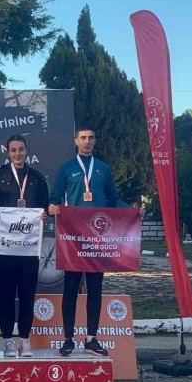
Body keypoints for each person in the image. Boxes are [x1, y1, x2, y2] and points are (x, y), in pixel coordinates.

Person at [49, 125, 126, 357]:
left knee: (95, 290)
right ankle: (68, 339)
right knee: (70, 290)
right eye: (83, 137)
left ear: (95, 141)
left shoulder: (103, 169)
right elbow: (54, 198)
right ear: (76, 141)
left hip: (97, 241)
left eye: (91, 137)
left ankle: (92, 338)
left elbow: (114, 200)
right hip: (73, 240)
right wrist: (52, 207)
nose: (87, 141)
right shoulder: (67, 168)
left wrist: (132, 210)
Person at [0, 135, 49, 357]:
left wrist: (44, 215)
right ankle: (7, 340)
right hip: (5, 249)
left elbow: (45, 207)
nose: (17, 154)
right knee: (5, 295)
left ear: (27, 151)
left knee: (27, 295)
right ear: (8, 153)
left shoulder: (37, 178)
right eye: (13, 150)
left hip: (28, 250)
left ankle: (25, 339)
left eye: (21, 149)